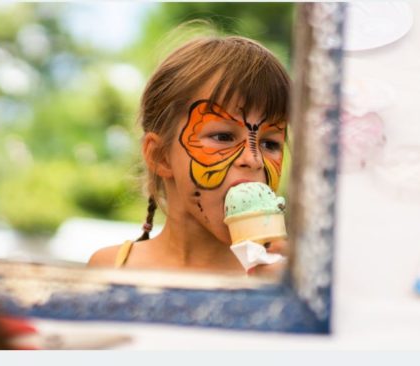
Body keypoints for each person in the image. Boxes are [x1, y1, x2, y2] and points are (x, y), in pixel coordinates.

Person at [88, 36, 290, 276]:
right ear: (161, 156)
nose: (253, 159)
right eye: (223, 137)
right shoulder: (111, 267)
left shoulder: (276, 277)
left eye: (269, 143)